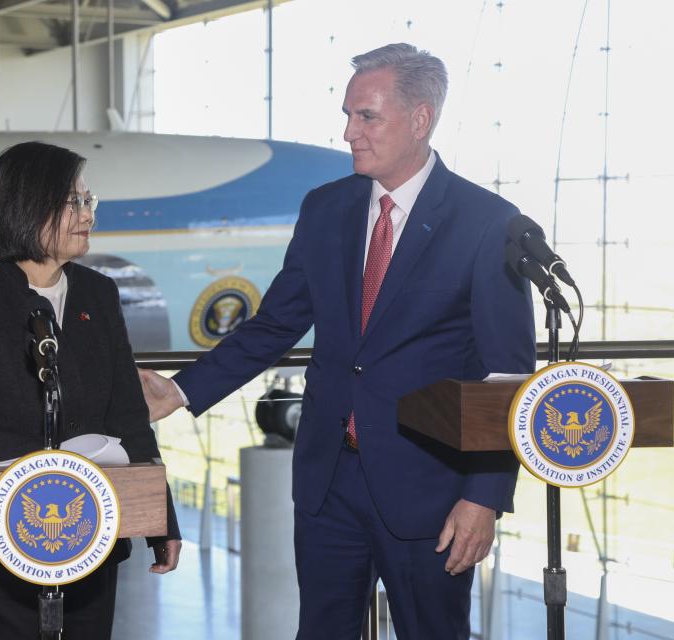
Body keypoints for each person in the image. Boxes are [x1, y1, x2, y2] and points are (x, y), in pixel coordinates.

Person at [139, 43, 535, 639]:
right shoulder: (325, 209)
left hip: (431, 493)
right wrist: (181, 389)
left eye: (366, 116)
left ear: (420, 118)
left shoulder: (489, 224)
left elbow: (506, 377)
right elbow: (275, 324)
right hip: (328, 484)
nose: (349, 131)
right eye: (348, 114)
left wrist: (484, 497)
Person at [0, 141, 182, 639]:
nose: (88, 215)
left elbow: (128, 412)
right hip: (0, 550)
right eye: (73, 203)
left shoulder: (99, 293)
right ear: (26, 207)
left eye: (89, 202)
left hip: (91, 536)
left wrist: (159, 519)